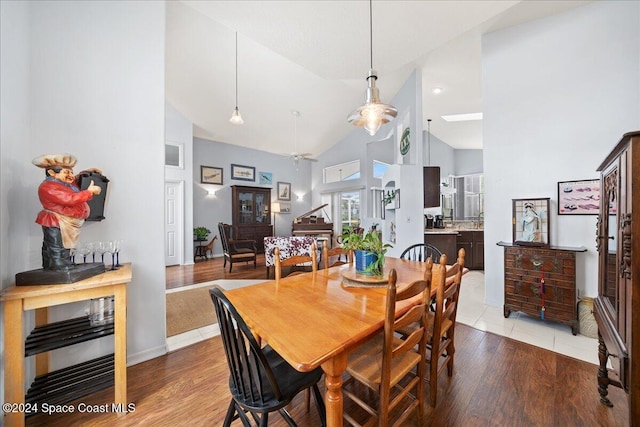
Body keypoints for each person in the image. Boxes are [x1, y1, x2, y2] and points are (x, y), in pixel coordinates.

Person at [32, 153, 102, 270]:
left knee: (62, 245)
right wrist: (89, 192)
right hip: (55, 220)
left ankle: (58, 262)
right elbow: (69, 199)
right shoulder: (48, 187)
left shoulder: (65, 183)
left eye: (71, 172)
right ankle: (57, 264)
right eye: (66, 172)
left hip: (66, 221)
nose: (70, 175)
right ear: (52, 173)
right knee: (56, 244)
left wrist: (86, 173)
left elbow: (74, 180)